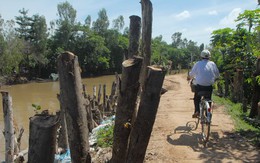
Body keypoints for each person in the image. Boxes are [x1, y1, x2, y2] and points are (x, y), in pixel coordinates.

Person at [187, 49, 220, 118]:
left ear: (201, 56)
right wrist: (216, 78)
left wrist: (189, 77)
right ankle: (208, 114)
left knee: (196, 99)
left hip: (200, 86)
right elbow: (217, 75)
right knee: (208, 99)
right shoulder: (212, 64)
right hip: (209, 86)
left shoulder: (198, 64)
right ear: (209, 57)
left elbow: (192, 74)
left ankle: (197, 111)